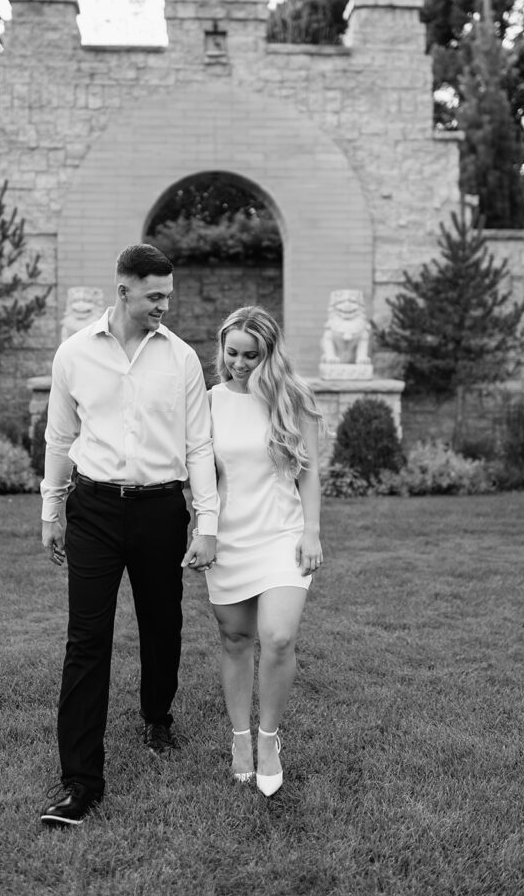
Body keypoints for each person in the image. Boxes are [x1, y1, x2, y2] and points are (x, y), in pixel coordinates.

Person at [38, 244, 217, 827]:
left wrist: (206, 522)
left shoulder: (183, 359)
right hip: (92, 508)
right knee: (86, 640)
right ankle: (80, 781)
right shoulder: (74, 355)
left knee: (161, 625)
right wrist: (51, 511)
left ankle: (156, 718)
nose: (165, 304)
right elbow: (59, 439)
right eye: (155, 295)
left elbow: (199, 446)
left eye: (169, 294)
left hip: (162, 509)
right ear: (123, 291)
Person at [201, 306, 325, 797]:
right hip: (229, 537)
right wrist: (202, 530)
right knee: (235, 639)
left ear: (268, 354)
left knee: (276, 637)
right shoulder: (208, 402)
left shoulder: (292, 398)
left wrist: (311, 531)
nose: (239, 363)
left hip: (282, 534)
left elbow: (309, 471)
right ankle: (239, 737)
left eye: (251, 355)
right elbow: (199, 473)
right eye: (231, 352)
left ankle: (269, 739)